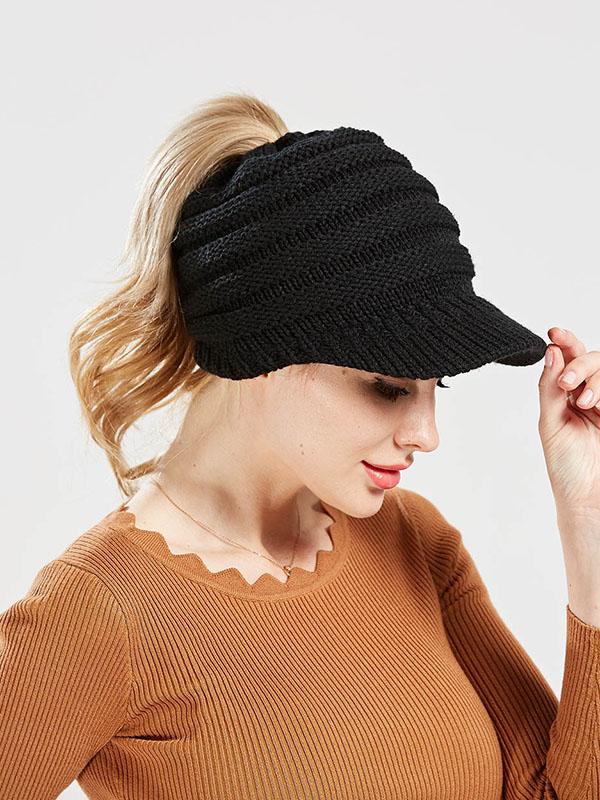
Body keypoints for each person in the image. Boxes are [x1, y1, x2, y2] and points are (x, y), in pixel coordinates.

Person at [1, 92, 599, 800]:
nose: (427, 434)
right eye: (387, 386)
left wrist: (587, 520)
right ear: (267, 354)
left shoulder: (415, 541)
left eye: (437, 385)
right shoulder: (100, 610)